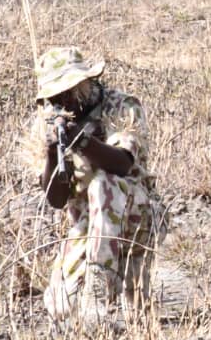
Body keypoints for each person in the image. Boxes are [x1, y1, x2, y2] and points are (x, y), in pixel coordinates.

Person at [32, 46, 165, 325]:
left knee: (102, 183)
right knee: (61, 306)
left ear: (85, 84)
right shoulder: (48, 123)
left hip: (135, 215)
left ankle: (98, 290)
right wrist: (50, 153)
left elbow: (122, 164)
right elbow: (56, 200)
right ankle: (106, 286)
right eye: (55, 96)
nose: (62, 101)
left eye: (68, 91)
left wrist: (81, 141)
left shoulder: (121, 106)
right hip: (89, 224)